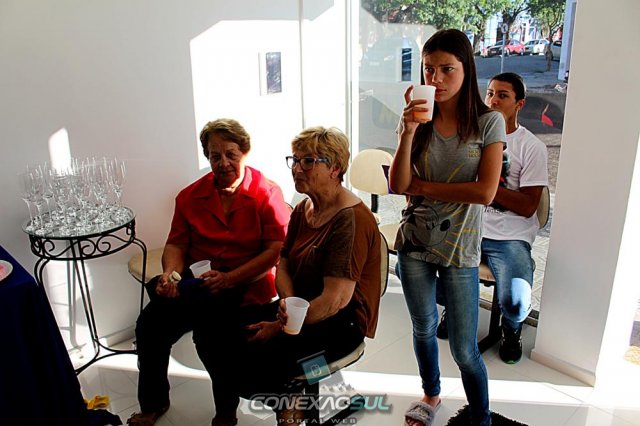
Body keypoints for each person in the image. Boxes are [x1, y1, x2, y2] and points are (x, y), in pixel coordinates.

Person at [199, 126, 381, 425]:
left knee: (263, 359)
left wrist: (280, 326)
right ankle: (271, 403)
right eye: (295, 160)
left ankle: (291, 403)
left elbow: (334, 301)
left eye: (308, 161)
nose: (297, 168)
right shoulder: (304, 208)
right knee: (214, 333)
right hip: (299, 309)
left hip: (342, 325)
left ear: (335, 168)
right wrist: (288, 306)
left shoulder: (349, 220)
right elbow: (282, 262)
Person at [127, 119, 291, 426]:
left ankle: (226, 412)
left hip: (246, 285)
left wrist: (231, 279)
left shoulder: (266, 193)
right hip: (199, 285)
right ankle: (153, 403)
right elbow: (176, 243)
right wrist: (170, 274)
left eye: (231, 154)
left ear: (245, 152)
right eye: (215, 156)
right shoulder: (189, 196)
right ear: (207, 157)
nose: (223, 162)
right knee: (150, 327)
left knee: (213, 340)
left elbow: (275, 250)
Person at [389, 29, 505, 426]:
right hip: (414, 241)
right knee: (423, 328)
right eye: (428, 69)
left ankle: (481, 417)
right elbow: (398, 184)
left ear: (466, 69)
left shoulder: (488, 122)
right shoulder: (417, 119)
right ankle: (431, 394)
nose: (435, 79)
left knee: (464, 349)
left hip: (461, 247)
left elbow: (485, 192)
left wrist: (423, 187)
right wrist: (407, 132)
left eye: (446, 69)